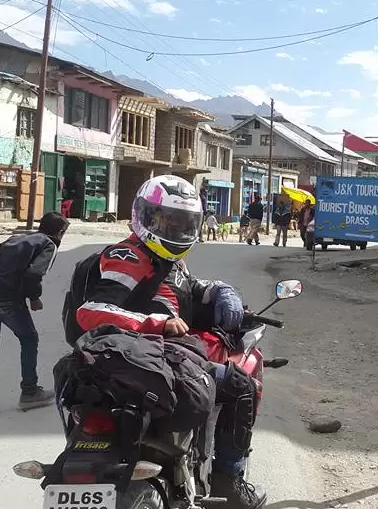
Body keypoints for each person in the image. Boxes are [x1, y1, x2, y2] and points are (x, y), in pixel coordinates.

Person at [71, 175, 266, 509]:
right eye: (167, 220)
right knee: (241, 385)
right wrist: (157, 324)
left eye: (184, 222)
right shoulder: (129, 257)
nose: (175, 229)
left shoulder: (163, 260)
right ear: (145, 216)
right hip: (142, 360)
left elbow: (183, 287)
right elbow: (93, 311)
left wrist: (220, 290)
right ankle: (229, 482)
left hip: (132, 361)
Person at [0, 212, 70, 417]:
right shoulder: (49, 245)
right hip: (8, 299)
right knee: (29, 339)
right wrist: (34, 298)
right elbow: (34, 274)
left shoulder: (16, 238)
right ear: (60, 232)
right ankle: (30, 391)